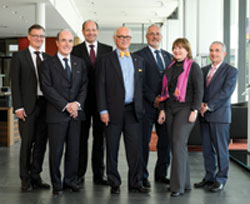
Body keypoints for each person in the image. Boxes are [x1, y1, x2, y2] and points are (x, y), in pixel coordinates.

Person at [96, 26, 150, 194]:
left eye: (127, 37)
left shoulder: (138, 60)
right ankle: (114, 183)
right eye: (121, 37)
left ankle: (135, 183)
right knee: (112, 149)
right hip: (112, 112)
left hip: (133, 111)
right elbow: (100, 87)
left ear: (130, 39)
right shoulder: (105, 60)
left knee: (135, 150)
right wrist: (102, 110)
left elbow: (142, 87)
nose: (124, 39)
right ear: (115, 38)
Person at [39, 30, 88, 195]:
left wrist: (76, 104)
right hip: (57, 114)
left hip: (75, 115)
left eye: (70, 41)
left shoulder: (79, 63)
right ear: (57, 43)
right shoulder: (47, 64)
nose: (67, 44)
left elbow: (84, 86)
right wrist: (66, 105)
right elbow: (47, 88)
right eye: (63, 41)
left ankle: (70, 181)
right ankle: (57, 184)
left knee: (74, 151)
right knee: (56, 152)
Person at [158, 38, 203, 197]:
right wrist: (162, 110)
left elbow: (199, 90)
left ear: (187, 50)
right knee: (177, 146)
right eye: (175, 48)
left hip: (186, 108)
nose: (177, 51)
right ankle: (185, 183)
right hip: (170, 109)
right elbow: (164, 91)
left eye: (180, 48)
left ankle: (176, 187)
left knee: (178, 144)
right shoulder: (169, 67)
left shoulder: (194, 67)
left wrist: (195, 110)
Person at [72, 20, 112, 186]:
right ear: (83, 31)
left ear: (98, 31)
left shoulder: (108, 50)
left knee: (99, 140)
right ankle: (79, 175)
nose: (91, 33)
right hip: (81, 102)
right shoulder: (75, 50)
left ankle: (98, 175)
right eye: (87, 30)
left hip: (101, 102)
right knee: (81, 140)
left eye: (93, 30)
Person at [11, 24, 50, 192]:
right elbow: (15, 83)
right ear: (28, 37)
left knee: (41, 143)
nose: (39, 39)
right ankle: (25, 179)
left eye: (41, 36)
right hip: (27, 107)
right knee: (27, 143)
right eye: (35, 36)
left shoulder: (48, 58)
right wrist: (18, 106)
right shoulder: (19, 56)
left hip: (45, 106)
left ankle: (36, 176)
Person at [194, 41, 238, 192]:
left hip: (219, 116)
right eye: (211, 50)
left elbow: (226, 93)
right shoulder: (203, 70)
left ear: (224, 53)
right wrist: (199, 104)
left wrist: (208, 106)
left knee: (221, 150)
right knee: (207, 150)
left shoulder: (231, 71)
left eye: (217, 51)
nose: (214, 53)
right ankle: (209, 178)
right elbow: (198, 89)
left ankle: (221, 179)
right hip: (203, 115)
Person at [134, 24, 172, 188]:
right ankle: (142, 176)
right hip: (146, 107)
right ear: (146, 37)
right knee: (143, 142)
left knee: (165, 142)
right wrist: (153, 99)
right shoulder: (138, 56)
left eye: (157, 34)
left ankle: (161, 174)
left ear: (161, 36)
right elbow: (137, 82)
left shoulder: (169, 56)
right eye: (151, 34)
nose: (155, 36)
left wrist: (163, 101)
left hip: (166, 107)